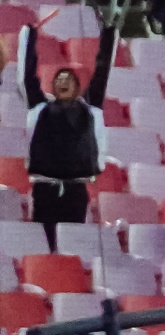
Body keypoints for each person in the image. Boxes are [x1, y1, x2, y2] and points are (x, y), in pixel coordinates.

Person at [20, 21, 114, 253]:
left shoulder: (90, 109)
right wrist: (29, 36)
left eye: (68, 79)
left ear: (78, 87)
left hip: (76, 190)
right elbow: (27, 76)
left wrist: (109, 36)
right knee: (44, 246)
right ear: (53, 87)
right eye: (59, 79)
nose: (63, 81)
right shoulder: (39, 108)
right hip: (45, 188)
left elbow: (102, 71)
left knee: (71, 247)